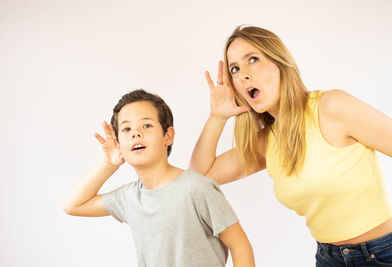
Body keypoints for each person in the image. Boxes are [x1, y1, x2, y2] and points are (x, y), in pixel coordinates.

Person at [190, 25, 392, 266]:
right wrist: (217, 117)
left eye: (252, 59)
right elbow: (196, 178)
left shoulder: (331, 107)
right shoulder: (266, 142)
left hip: (382, 253)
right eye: (234, 69)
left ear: (279, 62)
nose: (242, 75)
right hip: (329, 258)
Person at [62, 89, 255, 267]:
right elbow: (73, 206)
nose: (136, 133)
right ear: (118, 144)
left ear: (168, 136)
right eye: (126, 129)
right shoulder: (129, 198)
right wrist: (109, 165)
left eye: (146, 125)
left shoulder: (197, 188)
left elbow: (240, 245)